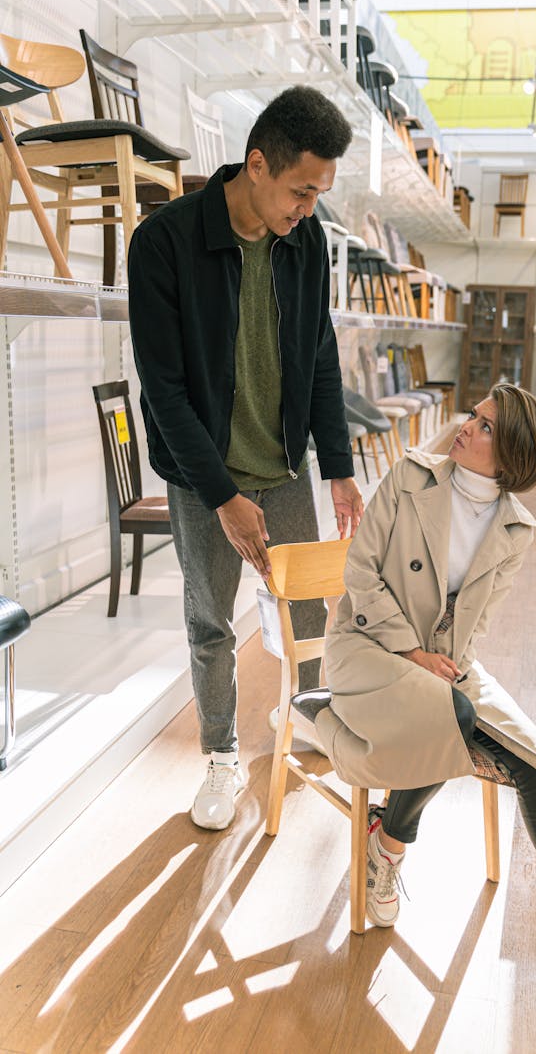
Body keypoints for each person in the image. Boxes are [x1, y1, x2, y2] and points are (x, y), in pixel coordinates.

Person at [310, 384, 536, 1026]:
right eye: (474, 416)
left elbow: (478, 622)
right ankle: (392, 843)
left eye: (486, 426)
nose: (467, 426)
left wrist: (444, 663)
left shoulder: (517, 529)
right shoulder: (409, 477)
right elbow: (359, 574)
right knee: (452, 715)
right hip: (365, 649)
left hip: (444, 667)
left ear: (511, 456)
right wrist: (414, 655)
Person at [128, 86, 363, 832]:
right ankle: (222, 757)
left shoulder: (307, 240)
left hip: (284, 465)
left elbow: (320, 352)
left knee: (307, 607)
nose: (308, 207)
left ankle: (313, 714)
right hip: (205, 479)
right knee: (210, 622)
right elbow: (163, 390)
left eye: (320, 193)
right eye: (301, 190)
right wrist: (224, 494)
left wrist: (339, 463)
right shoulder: (163, 243)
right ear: (256, 164)